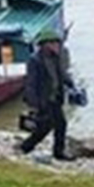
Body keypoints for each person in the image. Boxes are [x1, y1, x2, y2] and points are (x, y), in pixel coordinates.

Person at [18, 28, 74, 160]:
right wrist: (34, 104)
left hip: (56, 97)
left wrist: (71, 84)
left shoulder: (58, 57)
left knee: (61, 124)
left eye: (57, 43)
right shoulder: (35, 60)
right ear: (45, 45)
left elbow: (62, 73)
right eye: (53, 43)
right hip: (43, 100)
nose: (56, 46)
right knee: (44, 128)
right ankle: (26, 147)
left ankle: (58, 152)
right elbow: (31, 83)